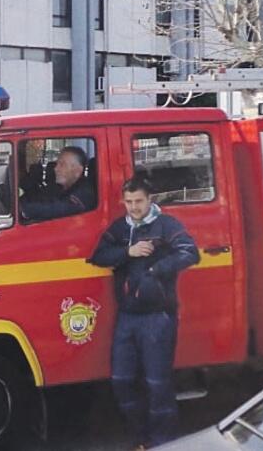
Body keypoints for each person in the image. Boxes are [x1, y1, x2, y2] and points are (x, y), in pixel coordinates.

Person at [88, 178, 200, 448]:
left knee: (157, 384)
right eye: (128, 202)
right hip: (127, 317)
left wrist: (155, 270)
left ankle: (163, 443)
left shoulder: (166, 225)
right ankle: (141, 438)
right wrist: (129, 251)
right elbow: (98, 256)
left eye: (138, 201)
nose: (134, 207)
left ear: (150, 199)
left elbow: (190, 253)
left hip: (158, 317)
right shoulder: (119, 228)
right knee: (121, 380)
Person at [19, 146, 96, 222]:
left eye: (62, 164)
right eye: (57, 164)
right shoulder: (59, 187)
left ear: (77, 171)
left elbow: (59, 209)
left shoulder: (84, 193)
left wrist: (25, 209)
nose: (56, 169)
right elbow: (42, 197)